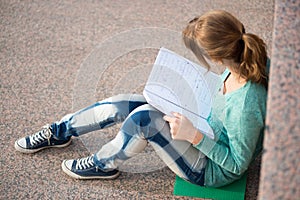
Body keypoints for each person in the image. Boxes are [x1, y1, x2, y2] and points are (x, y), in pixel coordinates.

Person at [14, 10, 268, 187]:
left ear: (216, 56)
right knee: (130, 103)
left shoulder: (246, 103)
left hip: (211, 169)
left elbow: (236, 165)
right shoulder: (242, 59)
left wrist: (194, 135)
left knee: (143, 119)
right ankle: (60, 131)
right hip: (206, 125)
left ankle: (103, 164)